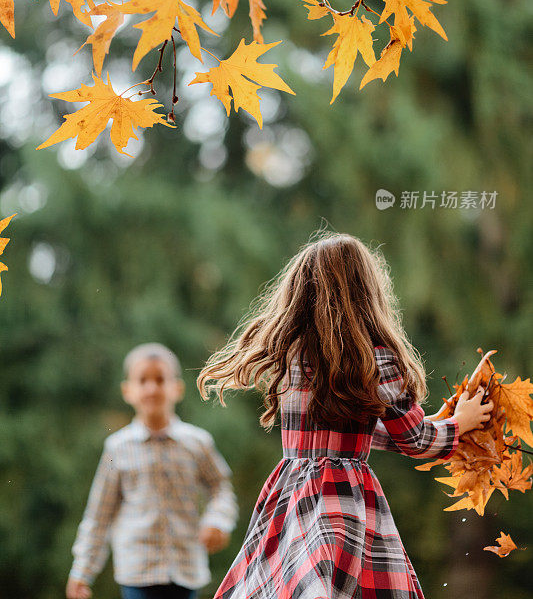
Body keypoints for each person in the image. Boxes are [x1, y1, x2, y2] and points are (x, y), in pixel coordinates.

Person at [197, 233, 493, 599]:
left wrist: (436, 424)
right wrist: (460, 422)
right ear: (367, 292)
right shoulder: (377, 359)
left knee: (297, 586)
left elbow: (348, 430)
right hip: (343, 497)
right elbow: (415, 440)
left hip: (291, 494)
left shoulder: (293, 356)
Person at [66, 342, 238, 599]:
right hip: (137, 573)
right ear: (127, 390)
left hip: (186, 570)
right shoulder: (117, 448)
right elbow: (99, 514)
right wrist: (82, 571)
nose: (152, 388)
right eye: (142, 380)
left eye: (160, 379)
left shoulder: (197, 443)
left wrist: (218, 520)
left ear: (177, 388)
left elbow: (221, 488)